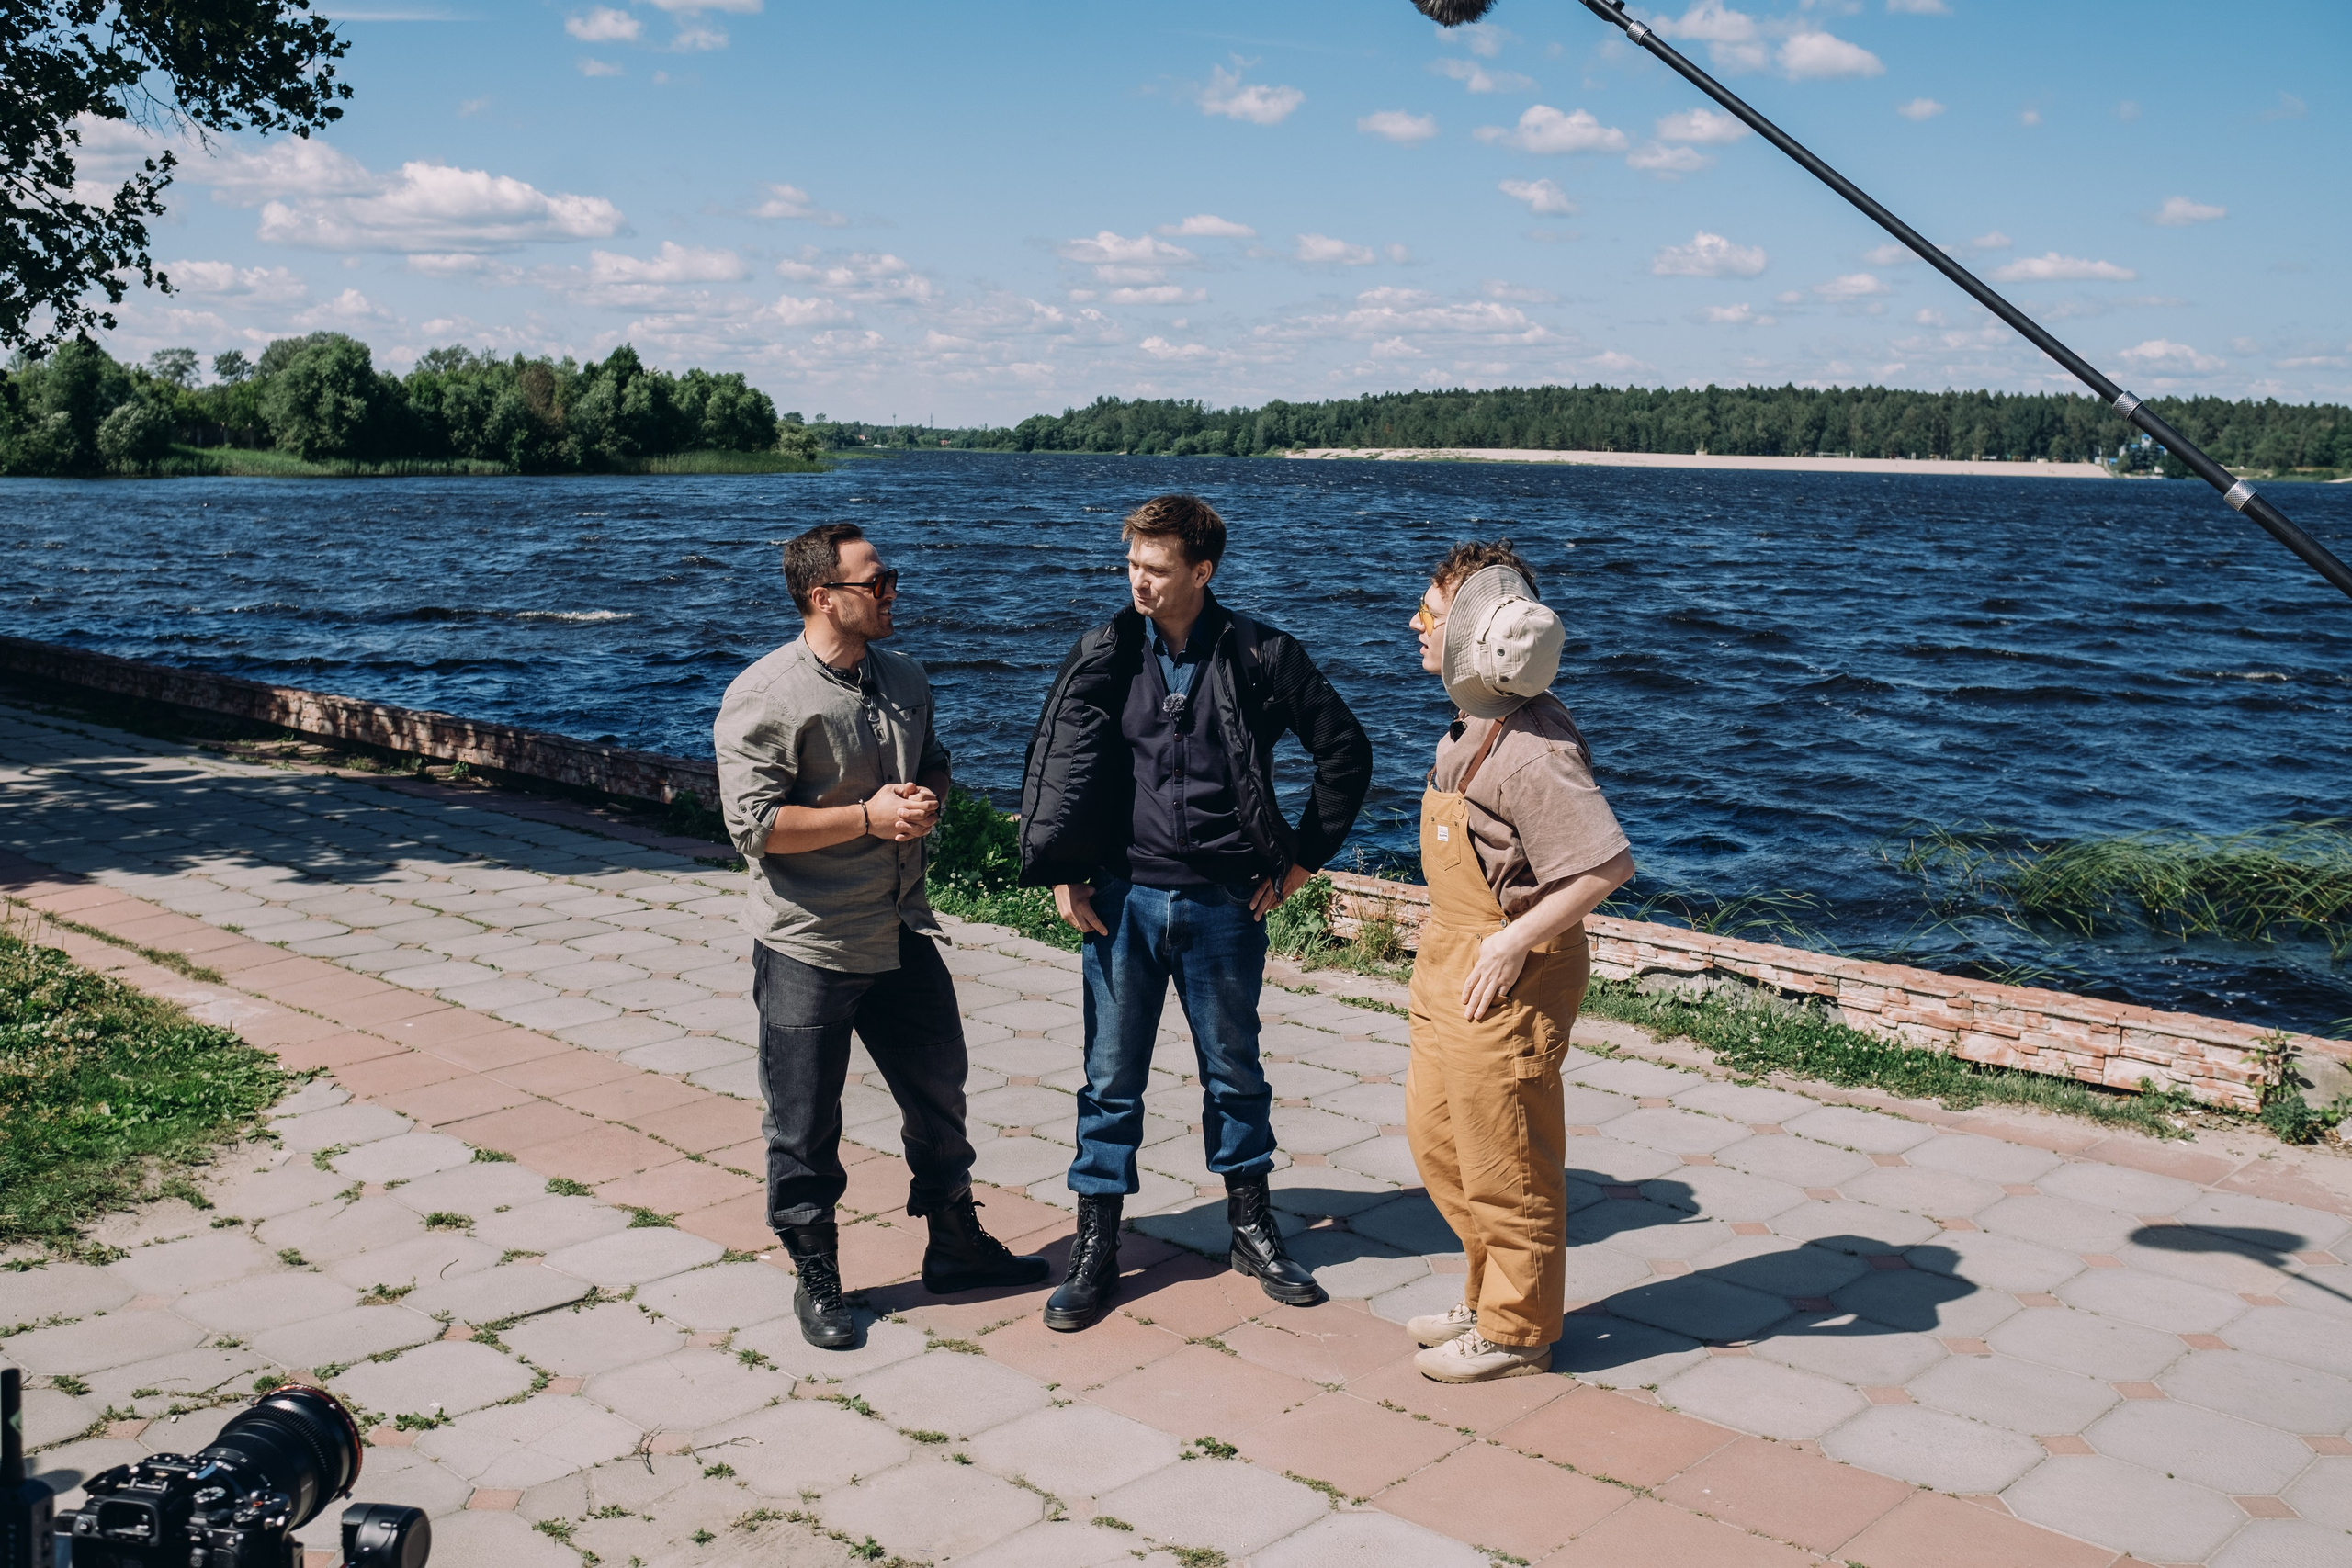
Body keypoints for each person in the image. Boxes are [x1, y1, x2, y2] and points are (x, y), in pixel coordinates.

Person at [1017, 493, 1374, 1332]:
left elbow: (1345, 752)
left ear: (1201, 571)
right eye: (1131, 563)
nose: (1137, 580)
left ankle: (1251, 1227)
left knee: (1235, 1074)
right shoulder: (1105, 651)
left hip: (1222, 902)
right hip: (1121, 901)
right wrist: (1069, 872)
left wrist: (1299, 864)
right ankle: (1096, 1247)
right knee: (1109, 1081)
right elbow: (1064, 760)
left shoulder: (1261, 653)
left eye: (1156, 567)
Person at [716, 522, 1048, 1350]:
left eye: (890, 575)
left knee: (941, 1096)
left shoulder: (903, 675)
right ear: (824, 595)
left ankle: (954, 1242)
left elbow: (934, 759)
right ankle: (817, 1271)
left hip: (900, 929)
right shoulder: (764, 696)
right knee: (802, 1123)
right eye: (878, 580)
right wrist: (867, 816)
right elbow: (753, 827)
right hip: (808, 942)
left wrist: (926, 795)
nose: (894, 589)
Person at [1402, 542, 1634, 1383]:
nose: (1414, 626)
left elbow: (1607, 867)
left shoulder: (1535, 746)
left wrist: (1510, 941)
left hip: (1509, 962)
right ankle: (1486, 1290)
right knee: (1444, 1142)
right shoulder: (1476, 725)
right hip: (1454, 953)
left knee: (1507, 1158)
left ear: (1479, 634)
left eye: (1428, 615)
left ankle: (1516, 1328)